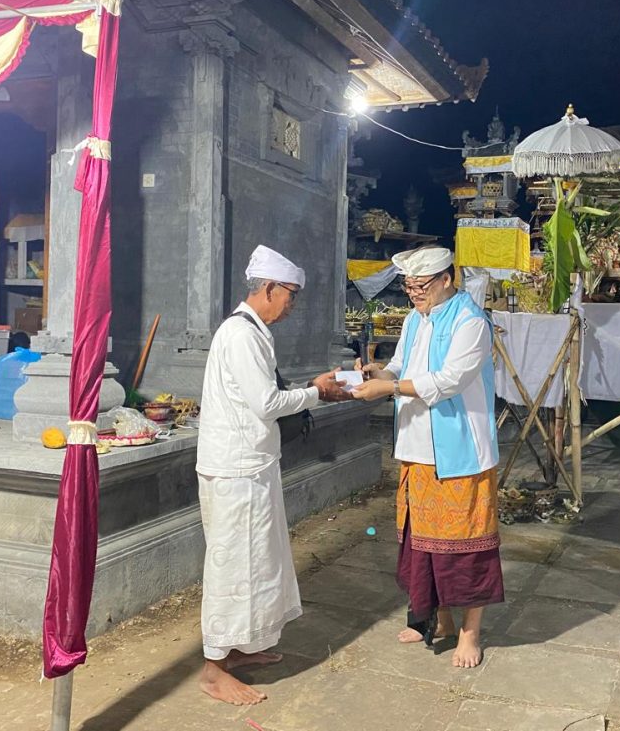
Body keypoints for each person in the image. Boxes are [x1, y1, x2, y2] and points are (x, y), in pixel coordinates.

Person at [196, 244, 349, 705]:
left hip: (252, 464)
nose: (292, 304)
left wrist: (313, 388)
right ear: (267, 288)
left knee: (259, 562)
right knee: (232, 568)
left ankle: (241, 647)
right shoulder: (240, 335)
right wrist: (315, 392)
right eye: (290, 294)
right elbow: (266, 404)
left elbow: (263, 398)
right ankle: (212, 669)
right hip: (236, 469)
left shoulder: (253, 332)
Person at [351, 246, 503, 669]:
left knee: (466, 544)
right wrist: (379, 374)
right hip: (417, 447)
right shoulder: (417, 318)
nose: (413, 293)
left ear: (446, 280)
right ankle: (441, 619)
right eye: (408, 286)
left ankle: (471, 633)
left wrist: (390, 390)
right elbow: (401, 364)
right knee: (423, 541)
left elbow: (449, 380)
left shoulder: (471, 322)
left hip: (461, 452)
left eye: (421, 286)